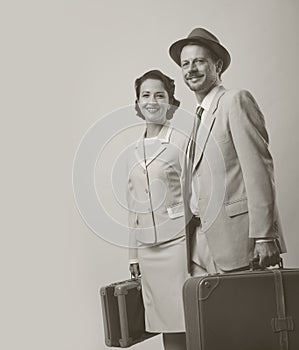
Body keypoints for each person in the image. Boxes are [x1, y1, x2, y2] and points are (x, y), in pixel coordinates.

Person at [168, 28, 286, 276]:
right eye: (185, 64)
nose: (191, 69)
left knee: (246, 313)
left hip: (237, 240)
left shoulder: (235, 101)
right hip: (198, 243)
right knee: (207, 315)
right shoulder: (195, 119)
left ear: (218, 65)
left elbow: (258, 171)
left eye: (199, 61)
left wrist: (264, 236)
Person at [126, 70, 188, 350]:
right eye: (146, 95)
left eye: (159, 95)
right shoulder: (133, 150)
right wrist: (132, 255)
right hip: (147, 251)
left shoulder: (181, 142)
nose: (152, 101)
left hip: (179, 245)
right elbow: (133, 205)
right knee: (164, 322)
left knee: (188, 317)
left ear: (171, 103)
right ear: (138, 103)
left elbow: (196, 194)